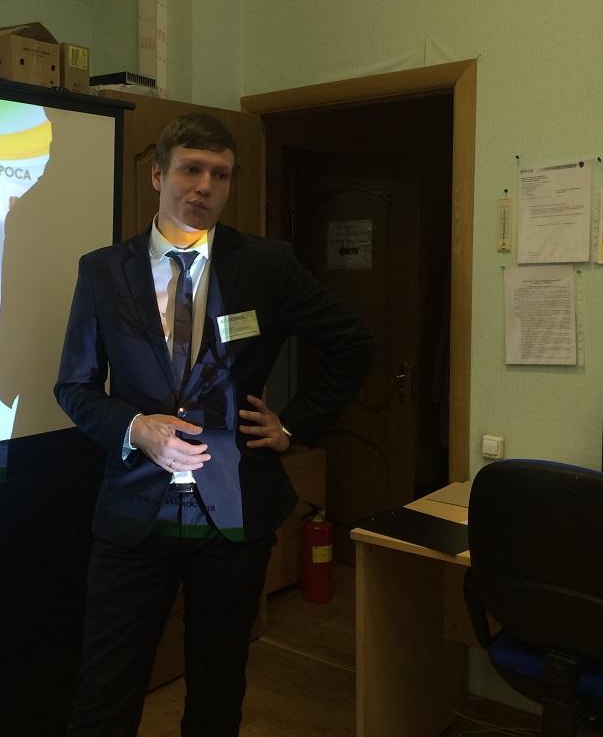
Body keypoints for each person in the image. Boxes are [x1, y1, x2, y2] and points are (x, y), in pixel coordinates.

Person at [55, 112, 375, 737]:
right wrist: (136, 427)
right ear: (157, 175)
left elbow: (353, 342)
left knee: (218, 688)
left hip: (232, 512)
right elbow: (75, 387)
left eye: (220, 175)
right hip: (133, 515)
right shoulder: (103, 271)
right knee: (105, 691)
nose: (204, 186)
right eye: (191, 169)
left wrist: (294, 426)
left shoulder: (266, 266)